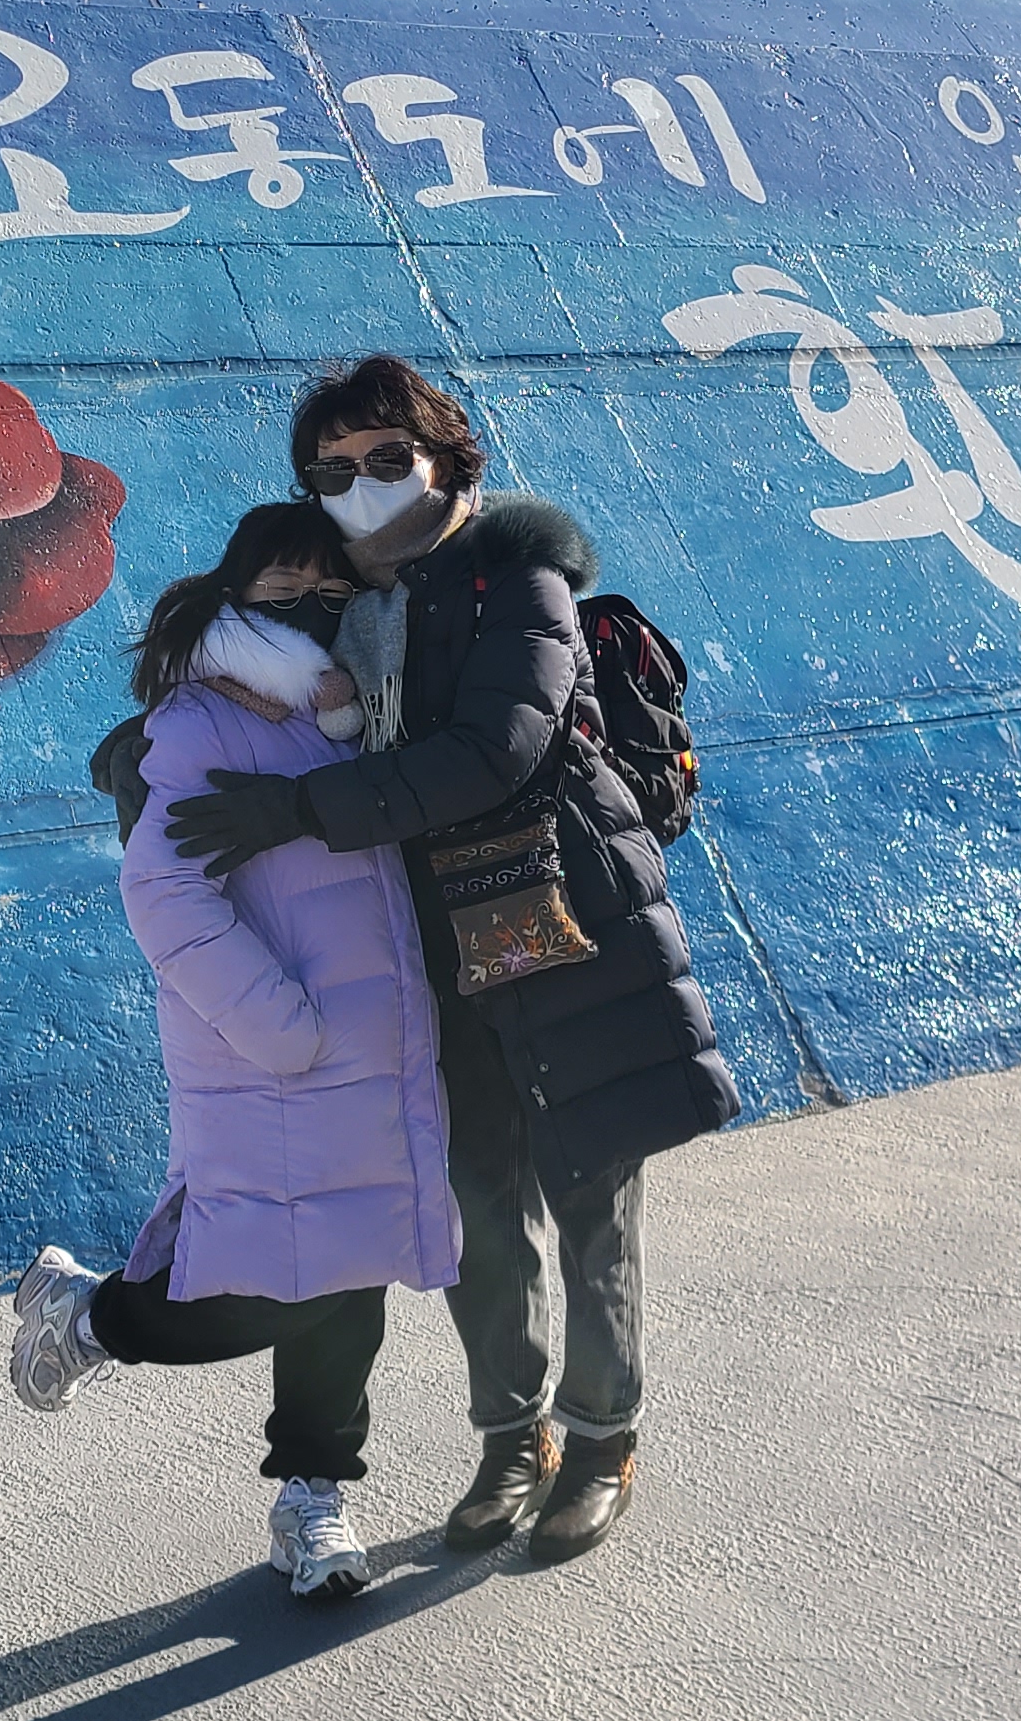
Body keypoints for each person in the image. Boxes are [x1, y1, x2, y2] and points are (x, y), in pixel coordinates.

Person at [165, 358, 737, 1565]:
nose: (362, 484)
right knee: (478, 1209)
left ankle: (601, 1439)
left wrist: (296, 812)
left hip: (563, 934)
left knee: (589, 1202)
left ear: (449, 460)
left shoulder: (517, 580)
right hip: (427, 956)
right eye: (333, 469)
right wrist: (138, 759)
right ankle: (511, 1439)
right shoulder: (338, 605)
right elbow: (227, 684)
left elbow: (497, 751)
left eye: (389, 457)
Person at [9, 502, 457, 1606]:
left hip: (377, 1055)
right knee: (265, 1291)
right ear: (234, 594)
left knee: (349, 1280)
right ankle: (90, 1318)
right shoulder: (202, 716)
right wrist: (279, 1025)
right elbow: (163, 889)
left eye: (328, 586)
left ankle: (314, 1499)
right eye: (280, 584)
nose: (308, 602)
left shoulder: (347, 718)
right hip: (275, 1063)